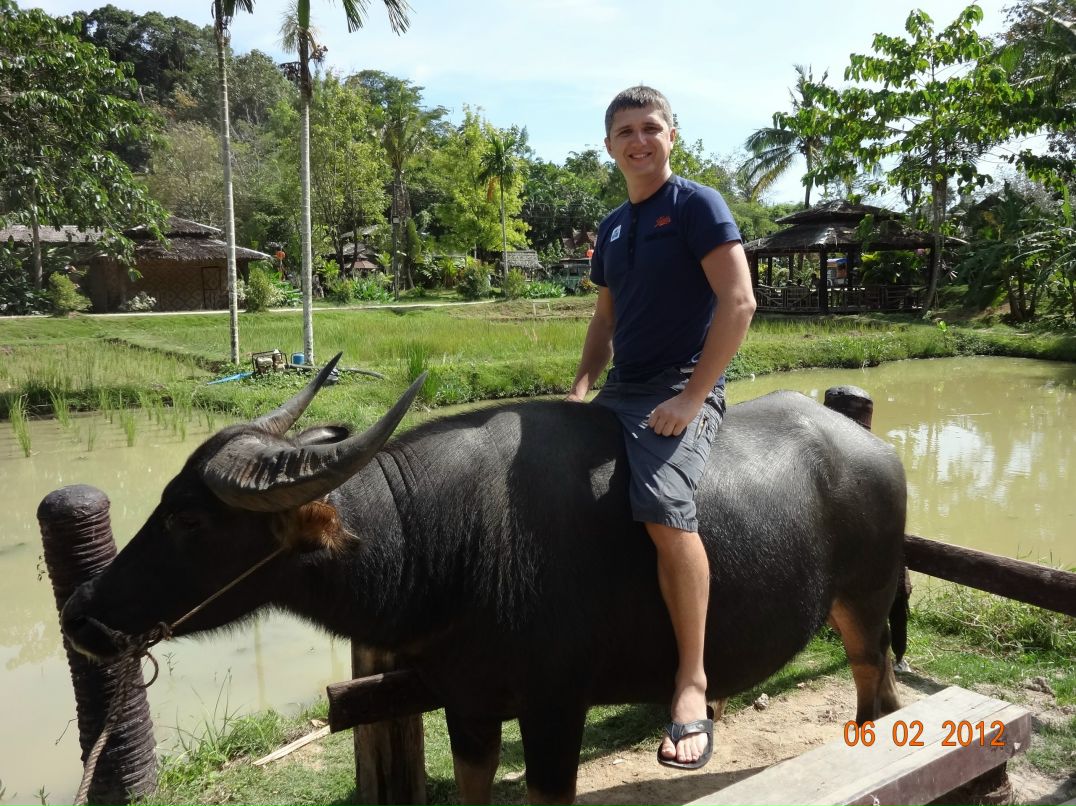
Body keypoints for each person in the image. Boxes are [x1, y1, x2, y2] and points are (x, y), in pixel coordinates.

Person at [566, 85, 756, 770]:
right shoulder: (613, 225)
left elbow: (739, 302)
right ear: (609, 145)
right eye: (625, 131)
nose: (639, 141)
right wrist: (582, 386)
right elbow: (604, 320)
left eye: (651, 128)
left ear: (673, 135)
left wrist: (693, 397)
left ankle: (692, 685)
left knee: (665, 511)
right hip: (620, 390)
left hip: (680, 388)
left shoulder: (697, 206)